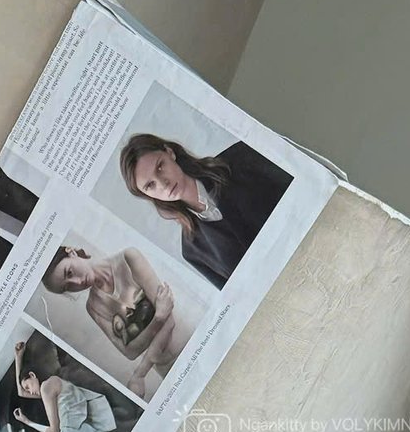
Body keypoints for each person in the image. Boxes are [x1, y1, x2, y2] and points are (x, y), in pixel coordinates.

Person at [117, 132, 291, 289]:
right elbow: (242, 296)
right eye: (150, 185)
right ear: (146, 195)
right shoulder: (192, 251)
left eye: (160, 167)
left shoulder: (240, 158)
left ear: (170, 153)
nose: (163, 184)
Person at [40, 245, 188, 397]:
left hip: (189, 343)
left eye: (69, 272)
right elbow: (130, 351)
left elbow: (169, 320)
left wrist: (140, 374)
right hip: (168, 371)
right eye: (67, 287)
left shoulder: (129, 258)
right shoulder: (93, 307)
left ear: (71, 252)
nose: (77, 283)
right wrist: (158, 319)